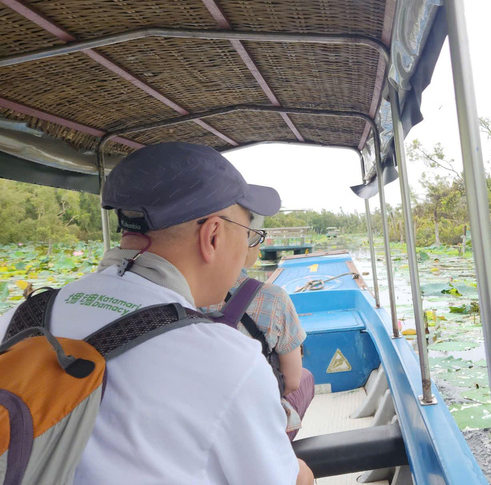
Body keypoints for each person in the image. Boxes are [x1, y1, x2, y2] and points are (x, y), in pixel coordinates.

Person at [0, 142, 313, 485]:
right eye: (250, 234)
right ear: (213, 235)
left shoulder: (18, 318)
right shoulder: (229, 359)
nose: (248, 250)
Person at [202, 218, 315, 441]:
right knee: (305, 377)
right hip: (255, 422)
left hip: (202, 420)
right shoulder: (273, 297)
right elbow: (291, 382)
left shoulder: (177, 294)